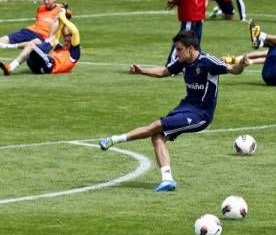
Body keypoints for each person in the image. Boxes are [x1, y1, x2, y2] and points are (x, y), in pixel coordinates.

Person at [98, 30, 249, 191]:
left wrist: (241, 65)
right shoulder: (184, 61)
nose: (176, 53)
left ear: (190, 49)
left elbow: (233, 70)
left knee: (156, 126)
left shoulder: (208, 61)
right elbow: (164, 72)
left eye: (178, 49)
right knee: (157, 136)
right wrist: (142, 71)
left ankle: (114, 140)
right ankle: (167, 179)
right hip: (185, 107)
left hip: (201, 114)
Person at [0, 10, 79, 76]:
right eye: (65, 40)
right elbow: (55, 35)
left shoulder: (74, 52)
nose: (66, 42)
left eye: (68, 42)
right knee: (36, 42)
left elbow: (75, 32)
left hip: (49, 66)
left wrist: (63, 17)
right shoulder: (60, 48)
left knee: (32, 45)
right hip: (36, 66)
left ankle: (10, 65)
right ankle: (9, 64)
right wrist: (61, 19)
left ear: (73, 43)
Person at [0, 0, 64, 49]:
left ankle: (10, 46)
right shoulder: (40, 8)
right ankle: (7, 45)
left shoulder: (60, 10)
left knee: (33, 43)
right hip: (29, 31)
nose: (46, 1)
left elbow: (68, 14)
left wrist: (61, 7)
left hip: (42, 37)